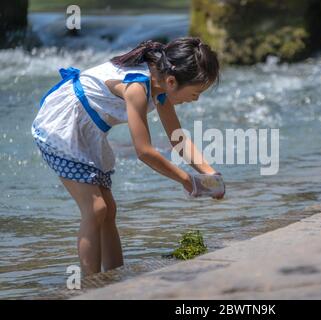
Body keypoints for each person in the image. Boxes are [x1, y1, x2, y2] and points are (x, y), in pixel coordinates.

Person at [30, 36, 224, 275]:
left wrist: (210, 174)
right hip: (61, 126)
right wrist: (189, 181)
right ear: (172, 81)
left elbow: (178, 139)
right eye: (195, 93)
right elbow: (144, 152)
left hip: (89, 128)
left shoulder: (162, 86)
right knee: (96, 209)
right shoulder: (137, 89)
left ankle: (115, 276)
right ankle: (89, 287)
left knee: (109, 209)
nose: (195, 99)